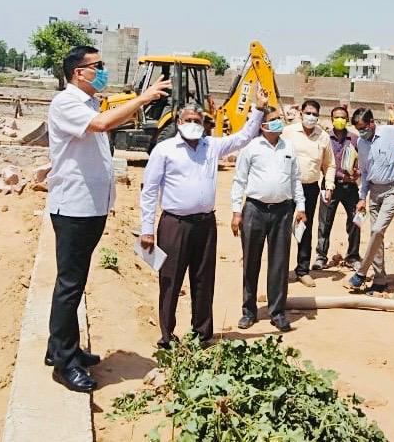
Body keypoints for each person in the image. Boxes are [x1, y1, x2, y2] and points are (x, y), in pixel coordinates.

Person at [46, 45, 171, 392]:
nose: (102, 71)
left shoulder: (89, 102)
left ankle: (60, 347)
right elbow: (101, 125)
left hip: (91, 207)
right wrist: (143, 98)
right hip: (74, 208)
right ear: (78, 73)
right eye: (97, 66)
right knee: (70, 285)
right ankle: (64, 363)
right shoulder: (67, 102)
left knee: (74, 282)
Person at [139, 90, 268, 349]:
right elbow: (150, 190)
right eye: (188, 120)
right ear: (178, 122)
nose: (193, 125)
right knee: (170, 280)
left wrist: (258, 109)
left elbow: (243, 137)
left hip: (205, 224)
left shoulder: (212, 146)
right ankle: (167, 336)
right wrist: (147, 229)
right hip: (174, 224)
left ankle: (202, 333)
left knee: (203, 279)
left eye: (197, 120)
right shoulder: (164, 150)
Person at [231, 107, 306, 332]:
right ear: (262, 125)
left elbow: (295, 179)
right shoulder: (251, 148)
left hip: (283, 211)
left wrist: (300, 206)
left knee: (280, 262)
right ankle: (249, 311)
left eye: (279, 119)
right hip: (254, 210)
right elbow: (239, 181)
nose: (278, 123)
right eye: (273, 120)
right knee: (251, 260)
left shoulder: (288, 147)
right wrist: (236, 212)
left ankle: (277, 312)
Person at [346, 107, 394, 293]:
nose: (361, 132)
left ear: (372, 123)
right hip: (374, 192)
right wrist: (362, 197)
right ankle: (379, 280)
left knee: (377, 229)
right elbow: (365, 173)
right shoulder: (362, 144)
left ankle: (361, 273)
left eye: (363, 128)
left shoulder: (391, 133)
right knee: (376, 235)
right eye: (358, 129)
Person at [281, 100, 335, 286]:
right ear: (301, 113)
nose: (311, 117)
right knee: (283, 228)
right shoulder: (288, 132)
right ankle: (280, 270)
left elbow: (329, 165)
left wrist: (329, 186)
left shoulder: (323, 137)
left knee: (305, 228)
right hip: (287, 187)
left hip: (310, 188)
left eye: (314, 114)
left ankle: (302, 270)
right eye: (308, 113)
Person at [313, 105, 362, 271]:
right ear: (332, 119)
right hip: (329, 186)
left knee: (356, 221)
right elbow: (319, 160)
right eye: (336, 117)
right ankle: (321, 256)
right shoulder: (324, 138)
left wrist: (357, 173)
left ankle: (353, 256)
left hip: (351, 187)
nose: (339, 120)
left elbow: (363, 161)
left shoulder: (355, 139)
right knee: (324, 222)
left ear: (347, 119)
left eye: (342, 117)